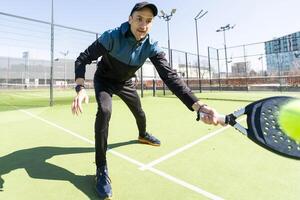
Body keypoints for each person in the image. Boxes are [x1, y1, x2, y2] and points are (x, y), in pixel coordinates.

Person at [71, 2, 221, 199]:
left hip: (125, 83)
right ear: (130, 19)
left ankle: (143, 134)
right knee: (105, 111)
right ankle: (101, 168)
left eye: (148, 21)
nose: (143, 24)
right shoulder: (111, 36)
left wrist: (198, 105)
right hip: (105, 81)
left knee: (139, 111)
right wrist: (80, 88)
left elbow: (170, 76)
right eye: (139, 18)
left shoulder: (151, 46)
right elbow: (82, 59)